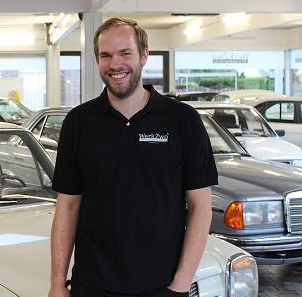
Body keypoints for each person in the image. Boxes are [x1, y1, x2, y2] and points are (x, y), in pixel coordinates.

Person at [49, 17, 217, 297]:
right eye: (106, 55)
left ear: (144, 55)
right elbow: (67, 207)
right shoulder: (79, 123)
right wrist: (57, 283)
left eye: (125, 53)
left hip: (162, 286)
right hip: (92, 286)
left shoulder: (182, 120)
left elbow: (201, 207)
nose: (115, 64)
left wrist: (180, 284)